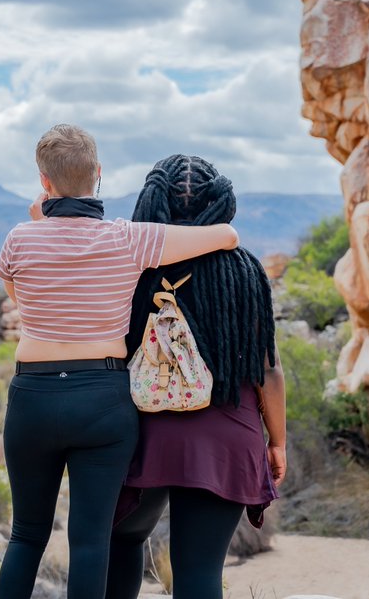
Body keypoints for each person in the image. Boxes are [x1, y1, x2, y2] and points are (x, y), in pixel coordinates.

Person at [0, 125, 241, 599]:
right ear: (99, 176)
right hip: (102, 399)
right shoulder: (130, 239)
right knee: (90, 542)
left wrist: (43, 225)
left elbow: (18, 296)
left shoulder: (20, 239)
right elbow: (227, 236)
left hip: (33, 397)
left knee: (26, 534)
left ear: (43, 182)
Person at [105, 154, 287, 599]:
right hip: (226, 435)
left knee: (121, 541)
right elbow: (268, 369)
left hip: (141, 433)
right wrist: (278, 441)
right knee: (199, 573)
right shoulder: (243, 270)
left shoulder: (134, 268)